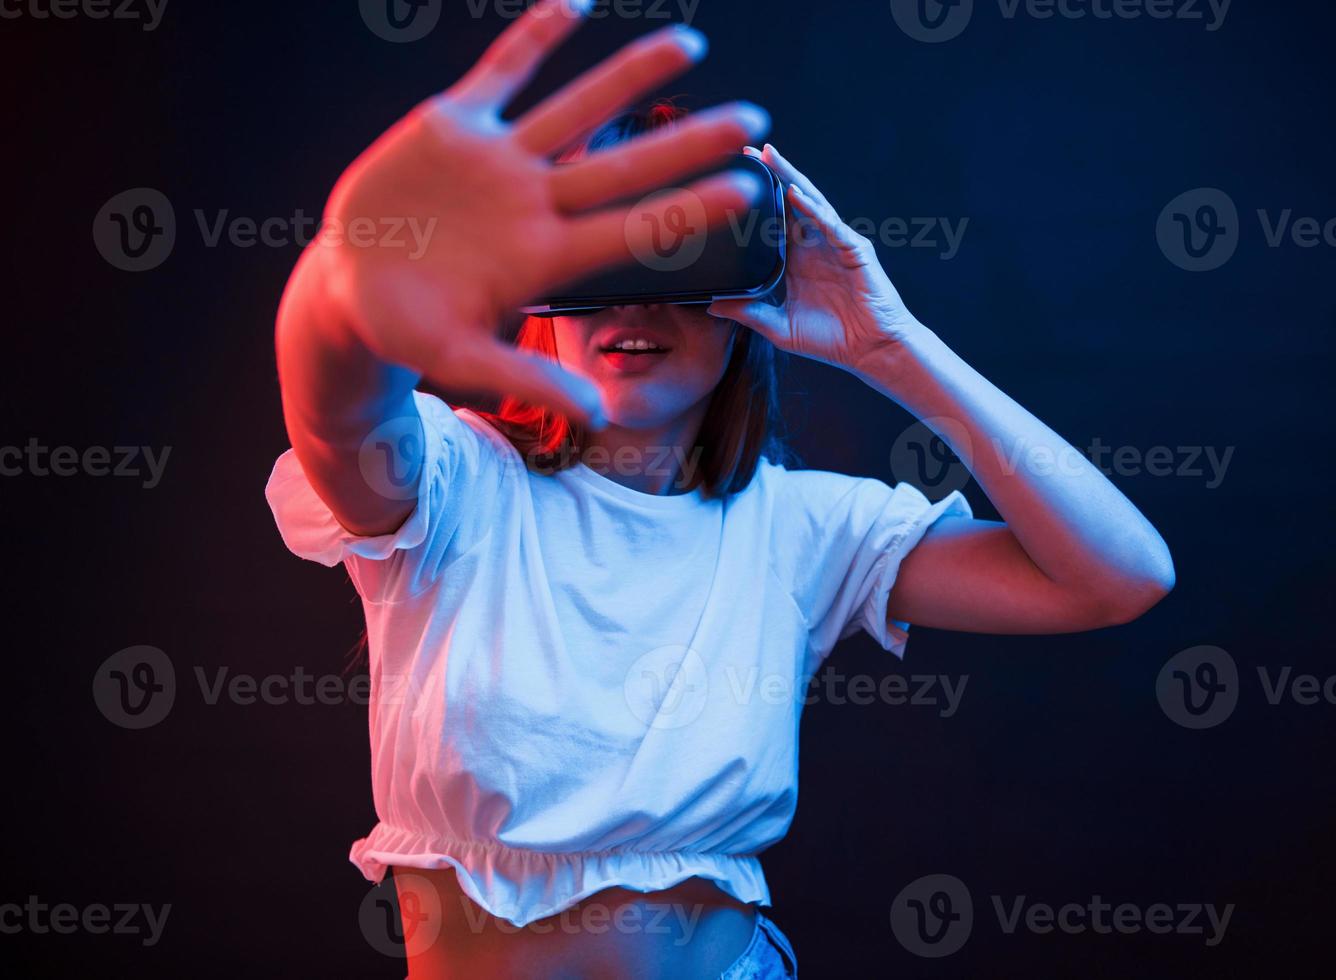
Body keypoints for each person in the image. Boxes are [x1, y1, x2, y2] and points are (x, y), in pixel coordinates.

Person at [264, 1, 1175, 975]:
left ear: (744, 294)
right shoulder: (450, 485)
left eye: (681, 256)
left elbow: (1116, 576)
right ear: (534, 284)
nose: (637, 303)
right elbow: (339, 414)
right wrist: (341, 289)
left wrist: (894, 347)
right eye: (596, 259)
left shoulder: (800, 526)